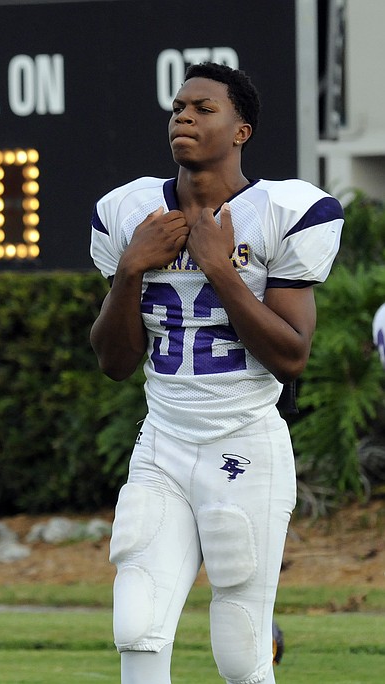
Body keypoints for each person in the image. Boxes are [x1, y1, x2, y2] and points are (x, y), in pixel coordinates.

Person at [89, 62, 343, 684]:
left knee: (240, 644)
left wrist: (220, 270)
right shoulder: (129, 213)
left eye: (204, 108)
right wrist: (129, 273)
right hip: (163, 440)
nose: (184, 117)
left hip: (244, 440)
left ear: (241, 131)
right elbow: (115, 363)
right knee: (137, 626)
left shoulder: (283, 211)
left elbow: (291, 357)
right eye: (179, 107)